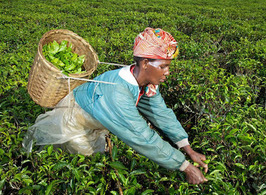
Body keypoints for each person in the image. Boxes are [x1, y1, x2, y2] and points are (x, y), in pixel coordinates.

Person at [23, 27, 208, 184]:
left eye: (168, 66)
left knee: (95, 161)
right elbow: (141, 136)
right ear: (145, 63)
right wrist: (184, 166)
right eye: (163, 67)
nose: (167, 72)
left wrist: (187, 148)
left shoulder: (143, 81)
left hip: (92, 122)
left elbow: (160, 113)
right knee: (81, 172)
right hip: (73, 124)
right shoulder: (118, 94)